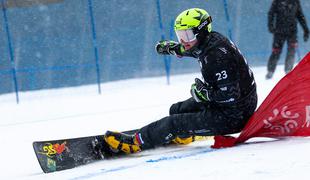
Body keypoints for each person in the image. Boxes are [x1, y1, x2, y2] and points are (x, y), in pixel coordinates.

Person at [102, 8, 258, 154]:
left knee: (173, 123)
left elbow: (231, 96)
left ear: (201, 32)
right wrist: (172, 48)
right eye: (180, 35)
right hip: (237, 105)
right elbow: (192, 49)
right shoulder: (210, 41)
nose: (184, 41)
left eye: (187, 35)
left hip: (234, 116)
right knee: (177, 110)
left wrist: (205, 94)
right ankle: (184, 133)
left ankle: (135, 142)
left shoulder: (216, 57)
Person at [266, 0, 309, 79]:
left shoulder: (295, 1)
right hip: (279, 31)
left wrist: (305, 30)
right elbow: (271, 13)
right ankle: (270, 71)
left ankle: (288, 71)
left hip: (292, 32)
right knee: (276, 51)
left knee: (291, 51)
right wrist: (270, 26)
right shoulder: (277, 1)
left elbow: (300, 15)